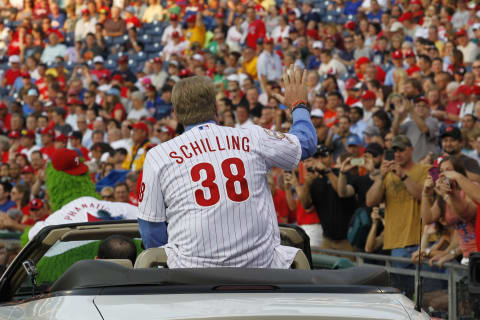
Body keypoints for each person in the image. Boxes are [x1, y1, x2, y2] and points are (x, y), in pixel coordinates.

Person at [138, 66, 317, 268]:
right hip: (261, 272)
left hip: (191, 277)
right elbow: (306, 144)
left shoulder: (158, 155)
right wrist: (299, 104)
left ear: (176, 115)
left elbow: (151, 229)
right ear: (216, 108)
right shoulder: (252, 136)